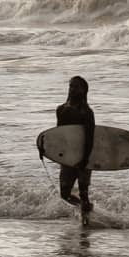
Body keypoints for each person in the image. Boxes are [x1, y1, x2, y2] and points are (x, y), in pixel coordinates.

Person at [52, 74, 95, 216]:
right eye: (71, 86)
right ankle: (85, 207)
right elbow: (59, 135)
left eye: (76, 87)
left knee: (83, 192)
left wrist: (85, 159)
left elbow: (90, 138)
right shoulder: (61, 110)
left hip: (84, 156)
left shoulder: (87, 112)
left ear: (83, 90)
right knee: (64, 194)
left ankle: (86, 220)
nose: (72, 89)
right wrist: (48, 150)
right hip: (68, 157)